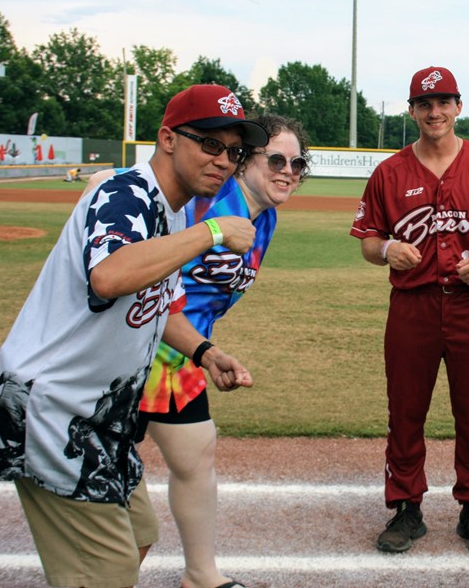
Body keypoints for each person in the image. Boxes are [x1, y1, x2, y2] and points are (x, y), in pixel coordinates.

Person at [0, 83, 269, 588]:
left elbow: (154, 303)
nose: (224, 160)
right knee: (106, 571)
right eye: (211, 144)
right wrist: (213, 232)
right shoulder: (125, 193)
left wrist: (204, 350)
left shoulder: (170, 214)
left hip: (98, 413)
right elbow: (109, 276)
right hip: (51, 407)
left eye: (235, 152)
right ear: (169, 138)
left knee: (137, 535)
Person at [82, 115, 311, 588]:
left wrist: (204, 351)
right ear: (245, 161)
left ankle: (200, 574)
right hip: (128, 351)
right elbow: (121, 193)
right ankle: (99, 572)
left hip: (179, 355)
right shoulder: (202, 201)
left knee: (194, 455)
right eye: (275, 159)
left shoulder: (264, 219)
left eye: (297, 163)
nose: (287, 170)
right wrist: (107, 181)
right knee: (108, 472)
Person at [349, 65, 469, 555]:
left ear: (458, 106)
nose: (435, 112)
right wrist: (388, 250)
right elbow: (368, 240)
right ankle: (407, 508)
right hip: (413, 306)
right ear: (412, 111)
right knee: (405, 411)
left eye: (444, 102)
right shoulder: (390, 172)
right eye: (425, 104)